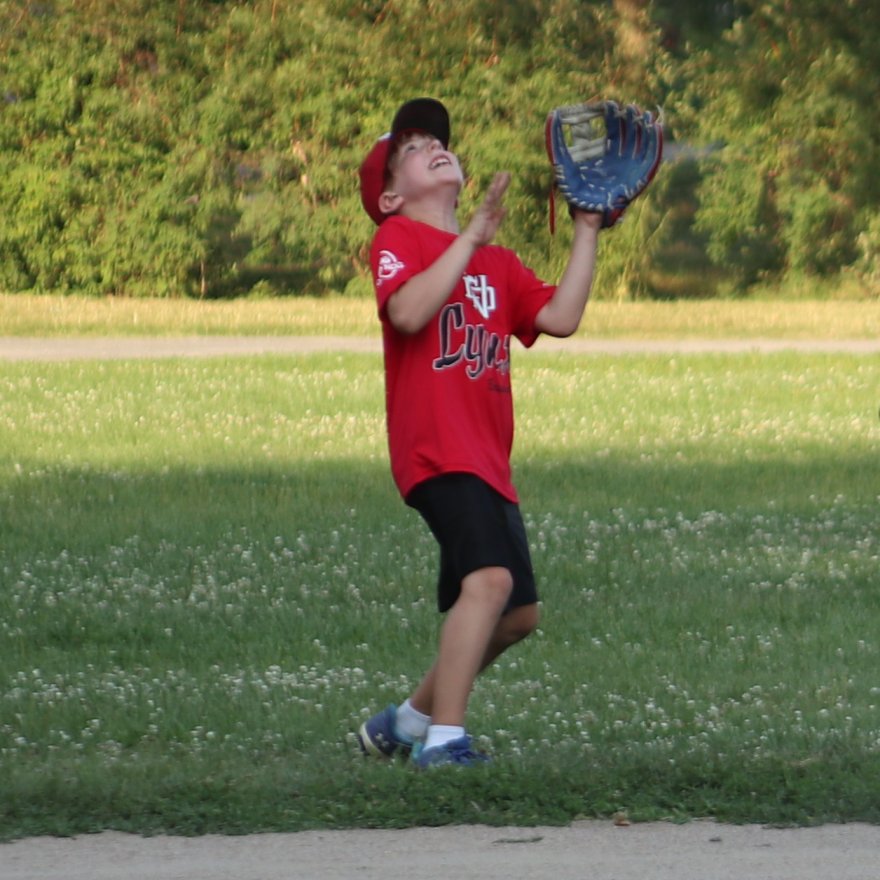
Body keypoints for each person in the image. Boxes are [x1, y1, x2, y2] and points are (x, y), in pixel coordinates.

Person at [356, 97, 601, 767]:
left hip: (487, 457)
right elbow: (406, 311)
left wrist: (587, 226)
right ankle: (444, 743)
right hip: (435, 450)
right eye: (410, 149)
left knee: (517, 614)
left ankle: (405, 722)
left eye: (437, 139)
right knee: (489, 583)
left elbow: (561, 317)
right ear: (388, 196)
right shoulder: (397, 241)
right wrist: (469, 239)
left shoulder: (498, 262)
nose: (433, 146)